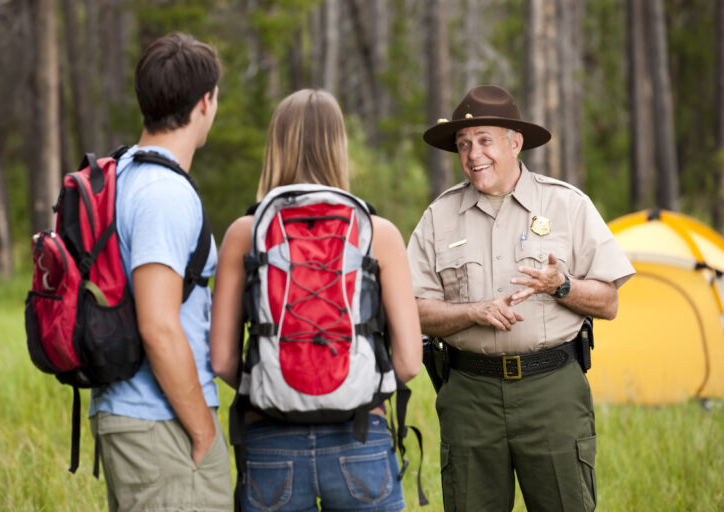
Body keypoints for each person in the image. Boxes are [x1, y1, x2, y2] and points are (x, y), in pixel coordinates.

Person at [407, 85, 635, 512]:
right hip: (470, 395)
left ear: (515, 143)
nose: (473, 154)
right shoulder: (439, 216)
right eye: (463, 144)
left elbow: (608, 302)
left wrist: (561, 285)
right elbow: (412, 310)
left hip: (552, 391)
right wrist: (473, 312)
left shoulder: (567, 205)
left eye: (484, 140)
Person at [210, 88, 422, 512]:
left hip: (269, 440)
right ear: (338, 147)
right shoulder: (377, 233)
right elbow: (409, 362)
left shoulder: (244, 233)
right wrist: (355, 389)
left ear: (275, 146)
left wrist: (276, 389)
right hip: (360, 435)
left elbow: (221, 361)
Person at [88, 32, 232, 511]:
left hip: (133, 414)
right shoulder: (163, 193)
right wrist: (203, 430)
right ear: (205, 102)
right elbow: (158, 326)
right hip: (160, 421)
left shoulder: (122, 174)